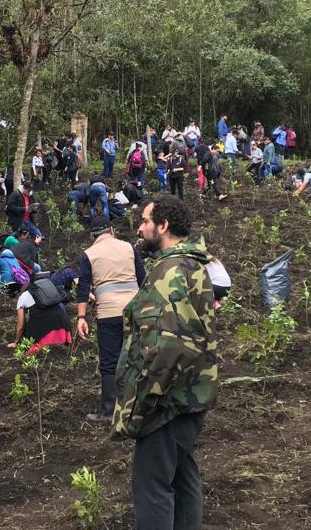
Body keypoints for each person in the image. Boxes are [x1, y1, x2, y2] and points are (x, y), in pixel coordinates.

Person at [113, 195, 217, 530]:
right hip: (193, 394)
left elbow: (169, 345)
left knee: (152, 484)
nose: (140, 229)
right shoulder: (192, 264)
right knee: (182, 473)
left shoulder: (169, 272)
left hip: (168, 401)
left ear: (163, 225)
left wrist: (144, 400)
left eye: (144, 222)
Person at [76, 217, 146, 424]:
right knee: (136, 357)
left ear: (92, 236)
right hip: (134, 310)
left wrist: (81, 317)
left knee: (109, 362)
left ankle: (108, 411)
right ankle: (138, 406)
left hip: (108, 314)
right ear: (112, 230)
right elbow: (143, 279)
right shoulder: (128, 248)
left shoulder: (88, 254)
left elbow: (83, 287)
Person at [9, 272, 72, 353]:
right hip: (63, 326)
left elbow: (20, 325)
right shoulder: (45, 288)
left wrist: (17, 342)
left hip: (44, 331)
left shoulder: (23, 297)